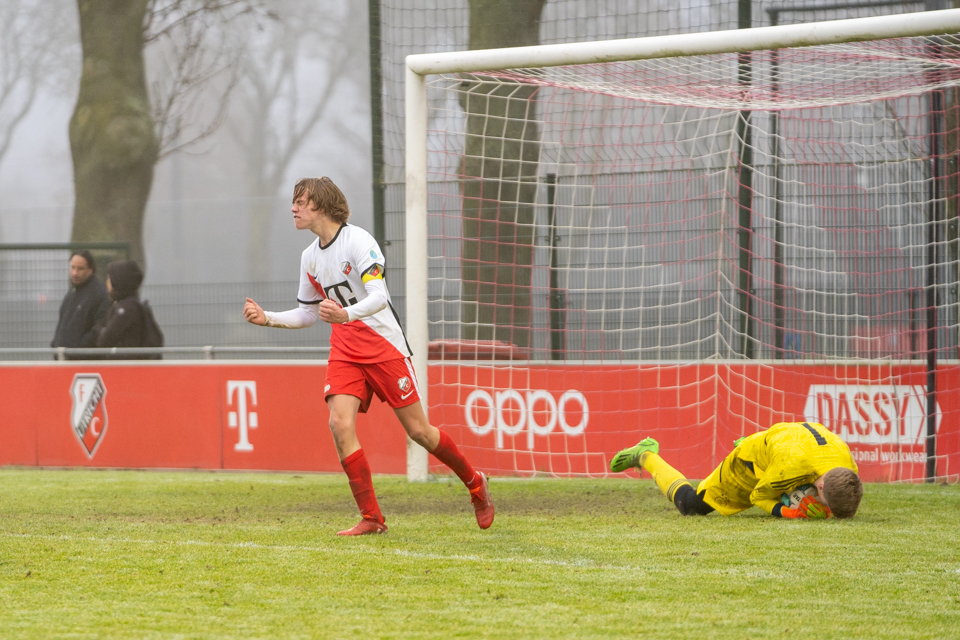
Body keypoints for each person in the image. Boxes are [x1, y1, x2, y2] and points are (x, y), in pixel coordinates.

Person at [243, 176, 494, 536]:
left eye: (301, 201)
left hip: (383, 346)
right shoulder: (309, 257)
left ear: (323, 205)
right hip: (345, 349)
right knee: (339, 424)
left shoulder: (358, 241)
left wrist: (346, 314)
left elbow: (379, 296)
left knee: (419, 432)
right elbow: (308, 313)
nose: (294, 208)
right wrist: (267, 318)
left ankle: (475, 484)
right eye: (294, 202)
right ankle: (372, 518)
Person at [610, 421, 863, 519]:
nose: (826, 509)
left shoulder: (848, 464)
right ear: (820, 486)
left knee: (789, 481)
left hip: (787, 443)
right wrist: (789, 512)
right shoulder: (790, 469)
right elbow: (757, 497)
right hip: (749, 464)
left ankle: (753, 444)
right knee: (691, 506)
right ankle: (646, 454)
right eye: (827, 504)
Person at [51, 250, 111, 358]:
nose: (74, 273)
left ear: (90, 270)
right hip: (65, 358)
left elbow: (98, 329)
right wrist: (56, 344)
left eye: (80, 269)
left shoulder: (98, 294)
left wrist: (78, 349)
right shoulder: (72, 292)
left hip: (83, 362)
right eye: (72, 267)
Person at [95, 260, 153, 359]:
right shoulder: (121, 305)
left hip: (127, 368)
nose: (107, 283)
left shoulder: (127, 309)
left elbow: (106, 338)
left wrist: (100, 333)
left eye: (109, 279)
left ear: (118, 282)